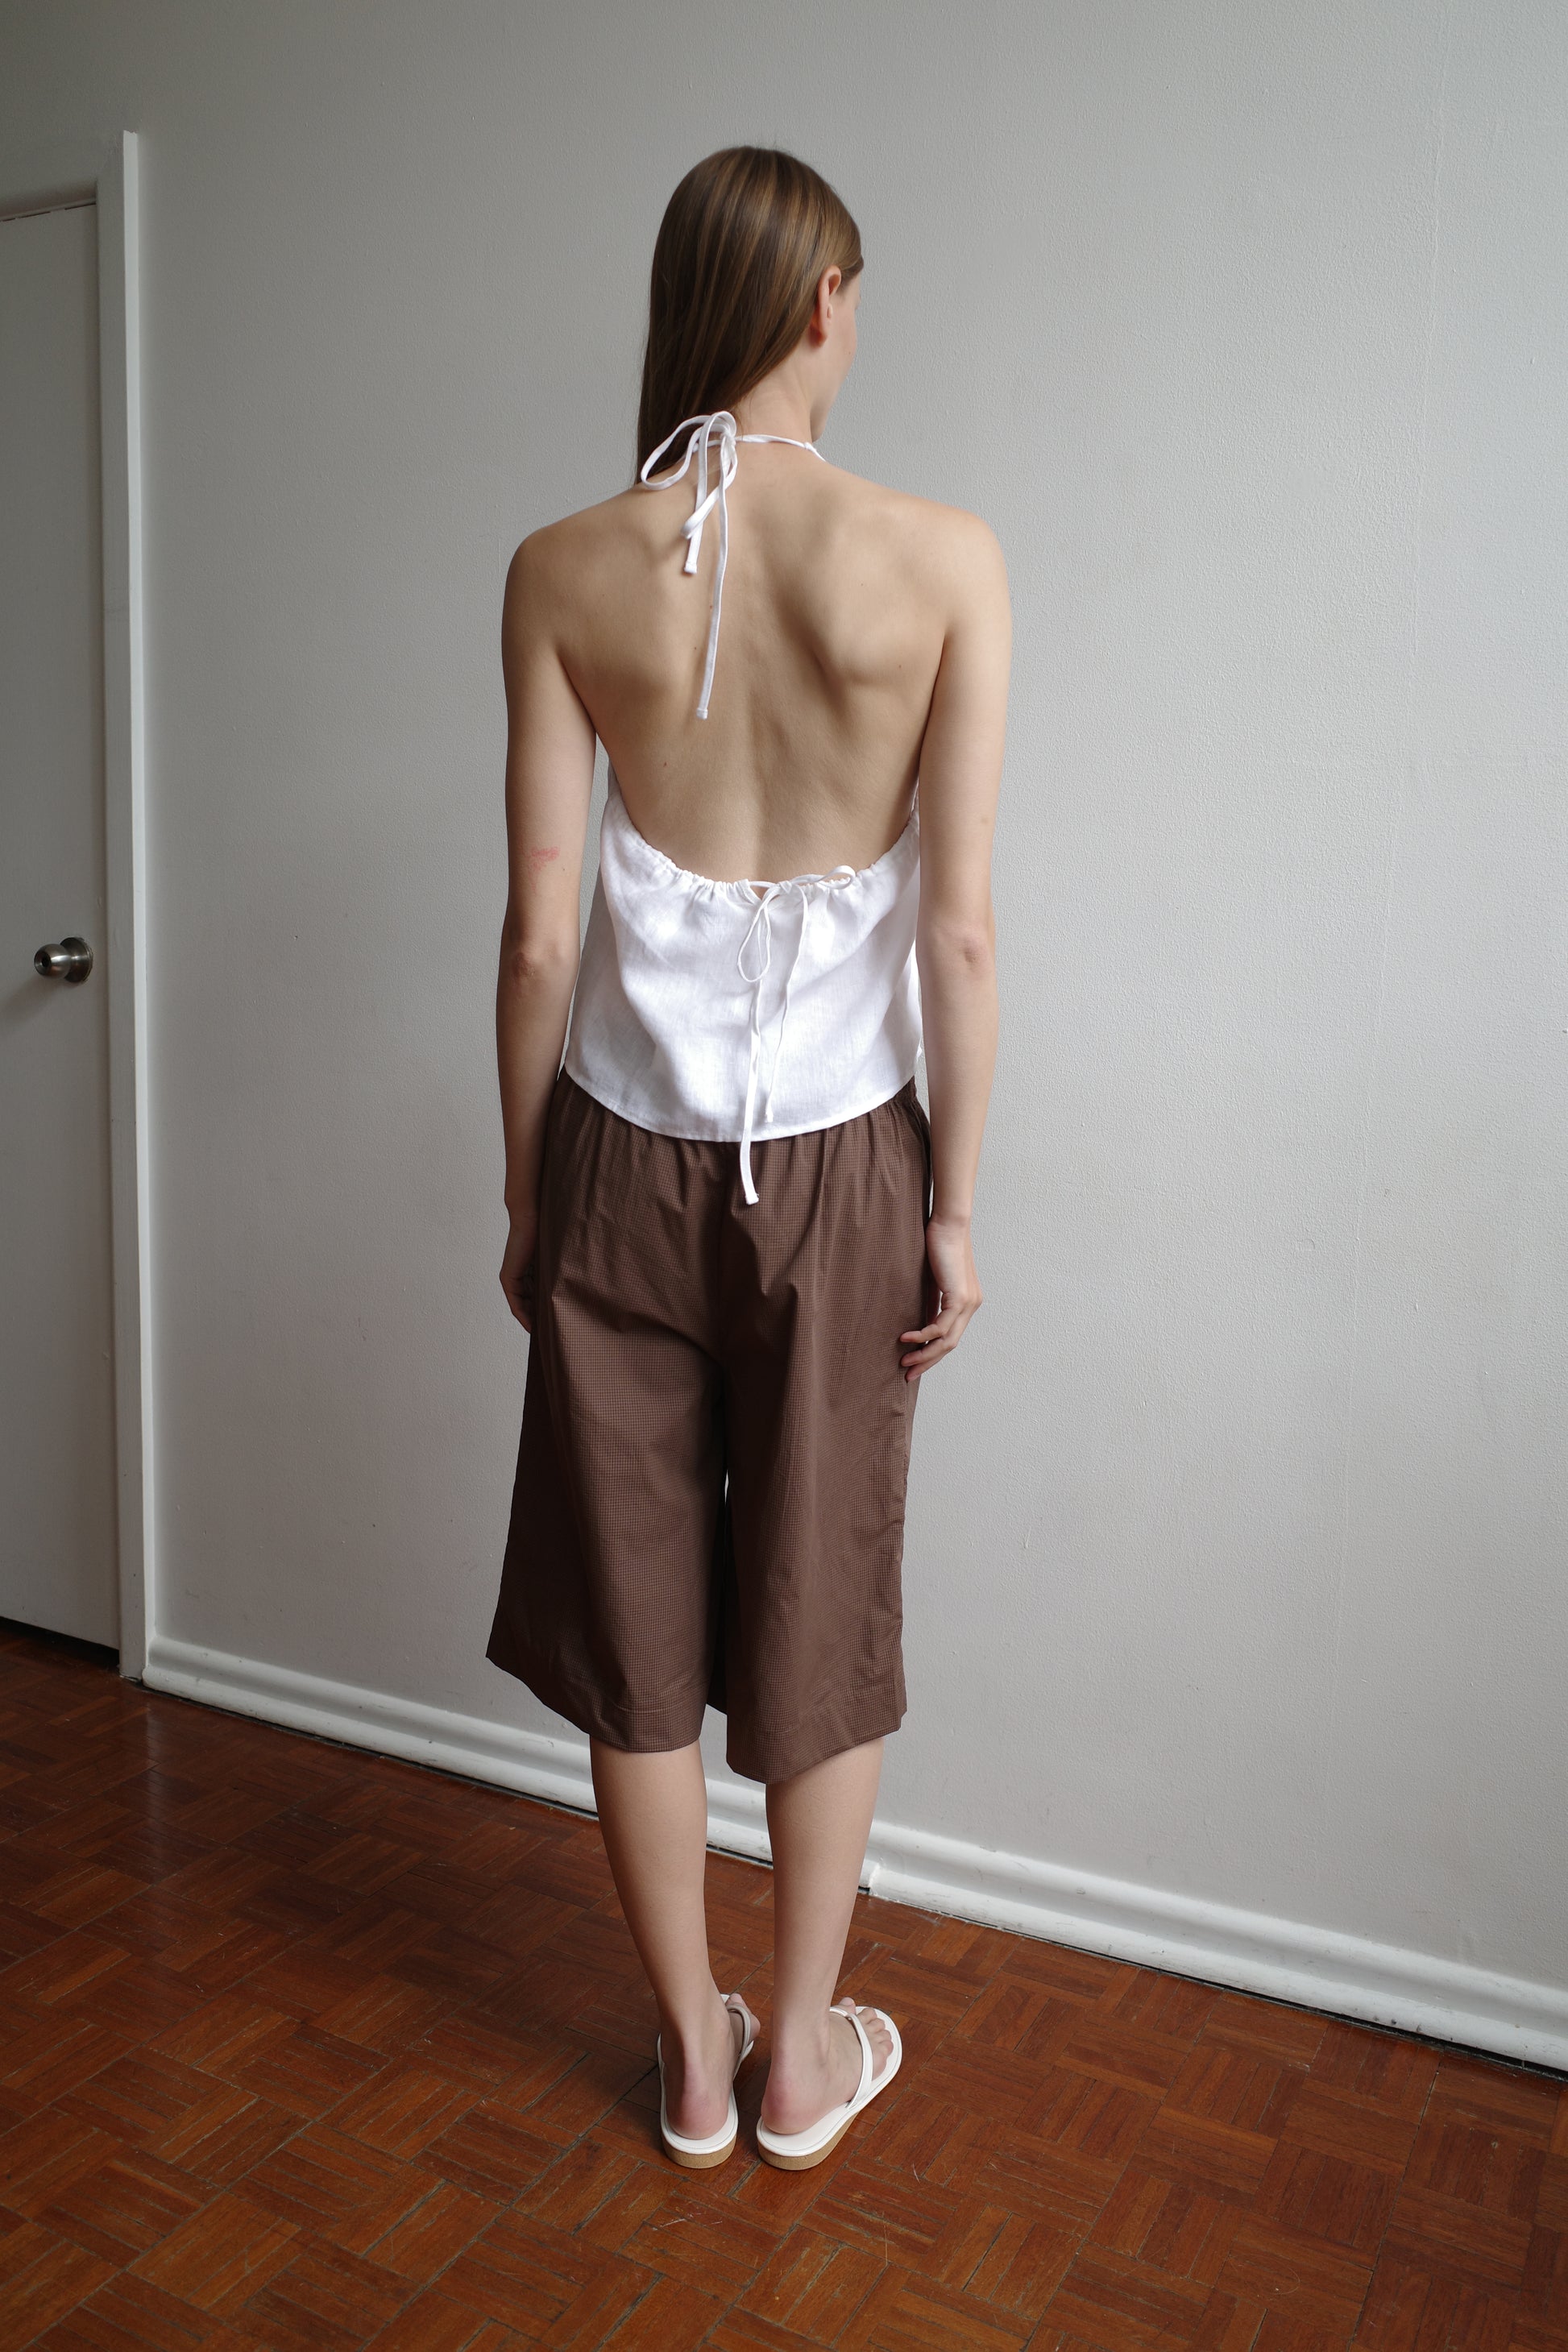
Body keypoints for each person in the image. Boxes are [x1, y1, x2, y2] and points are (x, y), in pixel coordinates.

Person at [487, 146, 1009, 2171]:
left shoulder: (560, 565)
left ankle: (687, 2067)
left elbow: (543, 927)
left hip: (618, 1146)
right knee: (818, 1603)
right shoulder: (943, 557)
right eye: (852, 293)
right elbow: (955, 930)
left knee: (637, 1618)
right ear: (814, 304)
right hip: (851, 1164)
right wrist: (953, 1204)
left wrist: (530, 1193)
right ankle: (797, 2055)